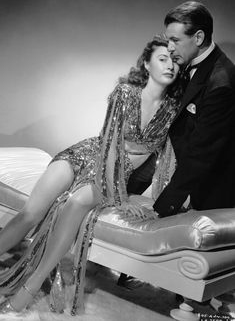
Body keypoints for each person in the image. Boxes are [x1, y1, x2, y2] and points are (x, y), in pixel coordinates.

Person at [0, 36, 181, 315]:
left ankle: (30, 287)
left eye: (174, 60)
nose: (170, 65)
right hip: (86, 155)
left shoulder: (173, 110)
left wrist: (150, 199)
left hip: (116, 174)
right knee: (31, 214)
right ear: (146, 64)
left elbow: (168, 158)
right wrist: (120, 199)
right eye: (162, 59)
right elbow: (108, 145)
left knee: (75, 203)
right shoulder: (125, 93)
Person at [152, 1, 235, 216]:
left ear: (198, 37)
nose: (169, 48)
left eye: (175, 40)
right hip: (192, 186)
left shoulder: (221, 83)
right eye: (167, 39)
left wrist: (162, 209)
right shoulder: (189, 63)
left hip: (216, 197)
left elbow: (201, 154)